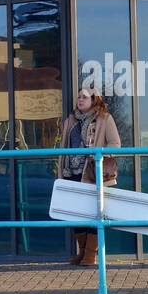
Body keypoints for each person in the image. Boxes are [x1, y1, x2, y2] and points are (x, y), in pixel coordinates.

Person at [58, 86, 121, 266]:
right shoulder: (71, 120)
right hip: (71, 173)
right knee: (75, 215)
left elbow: (115, 144)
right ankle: (82, 252)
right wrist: (61, 171)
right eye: (79, 97)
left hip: (92, 174)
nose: (80, 100)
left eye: (84, 97)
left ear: (94, 100)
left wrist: (98, 153)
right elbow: (65, 147)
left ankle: (90, 255)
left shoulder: (104, 118)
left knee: (93, 214)